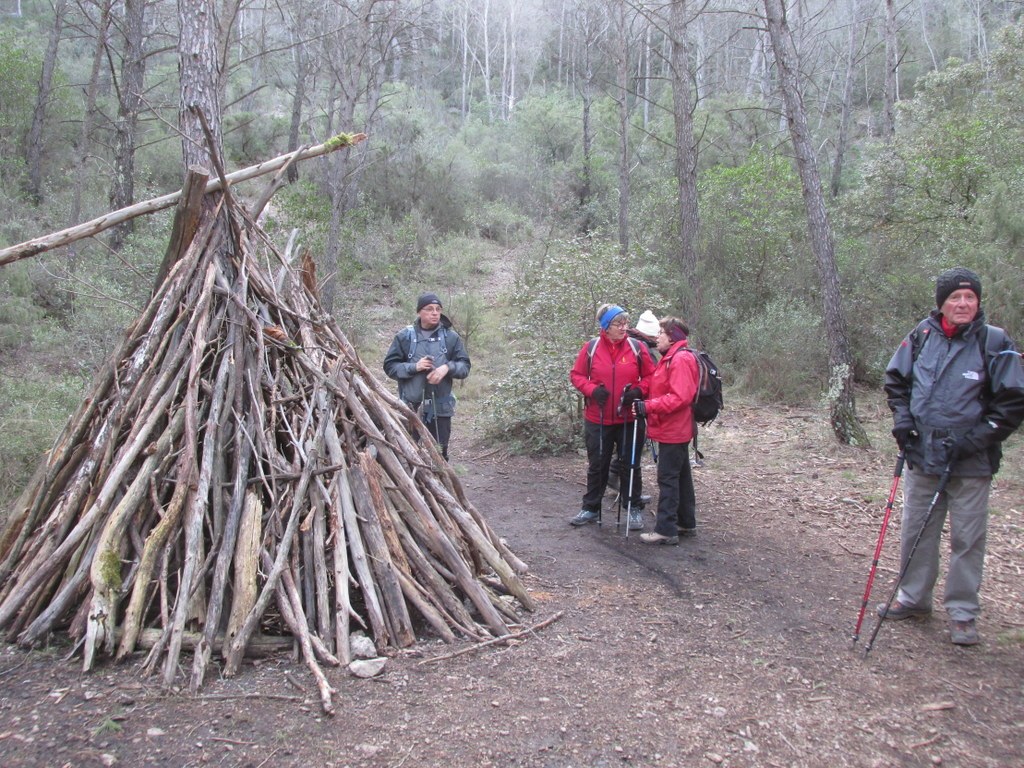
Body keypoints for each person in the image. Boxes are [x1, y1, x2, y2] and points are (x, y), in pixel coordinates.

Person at [879, 267, 1024, 645]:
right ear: (941, 302)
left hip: (972, 460)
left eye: (970, 298)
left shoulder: (994, 342)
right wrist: (903, 422)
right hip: (922, 453)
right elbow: (896, 382)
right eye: (955, 298)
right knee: (916, 529)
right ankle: (913, 598)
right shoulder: (921, 336)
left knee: (968, 538)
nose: (963, 304)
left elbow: (1012, 402)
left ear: (978, 302)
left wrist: (976, 439)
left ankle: (962, 613)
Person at [569, 304, 656, 530]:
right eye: (619, 323)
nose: (624, 327)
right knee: (598, 464)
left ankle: (634, 508)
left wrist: (638, 391)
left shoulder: (637, 348)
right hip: (597, 418)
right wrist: (592, 390)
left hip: (630, 418)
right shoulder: (591, 348)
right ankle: (590, 507)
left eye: (626, 323)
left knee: (631, 464)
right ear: (606, 326)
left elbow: (651, 376)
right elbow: (576, 375)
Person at [632, 318, 701, 545]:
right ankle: (685, 522)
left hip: (674, 428)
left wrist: (648, 406)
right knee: (681, 477)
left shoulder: (679, 360)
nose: (658, 336)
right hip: (676, 428)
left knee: (668, 478)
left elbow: (680, 397)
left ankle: (666, 529)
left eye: (661, 332)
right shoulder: (673, 357)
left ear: (672, 336)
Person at [383, 292, 472, 460]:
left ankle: (441, 485)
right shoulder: (405, 337)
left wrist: (447, 367)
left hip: (441, 409)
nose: (435, 313)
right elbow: (389, 366)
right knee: (408, 454)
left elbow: (465, 366)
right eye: (429, 309)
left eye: (438, 309)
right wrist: (414, 367)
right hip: (410, 408)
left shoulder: (451, 338)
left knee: (439, 456)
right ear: (419, 312)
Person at [607, 309, 661, 503]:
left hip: (626, 404)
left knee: (628, 449)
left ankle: (620, 483)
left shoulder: (632, 342)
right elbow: (651, 377)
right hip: (632, 406)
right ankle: (626, 490)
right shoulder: (640, 347)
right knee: (631, 451)